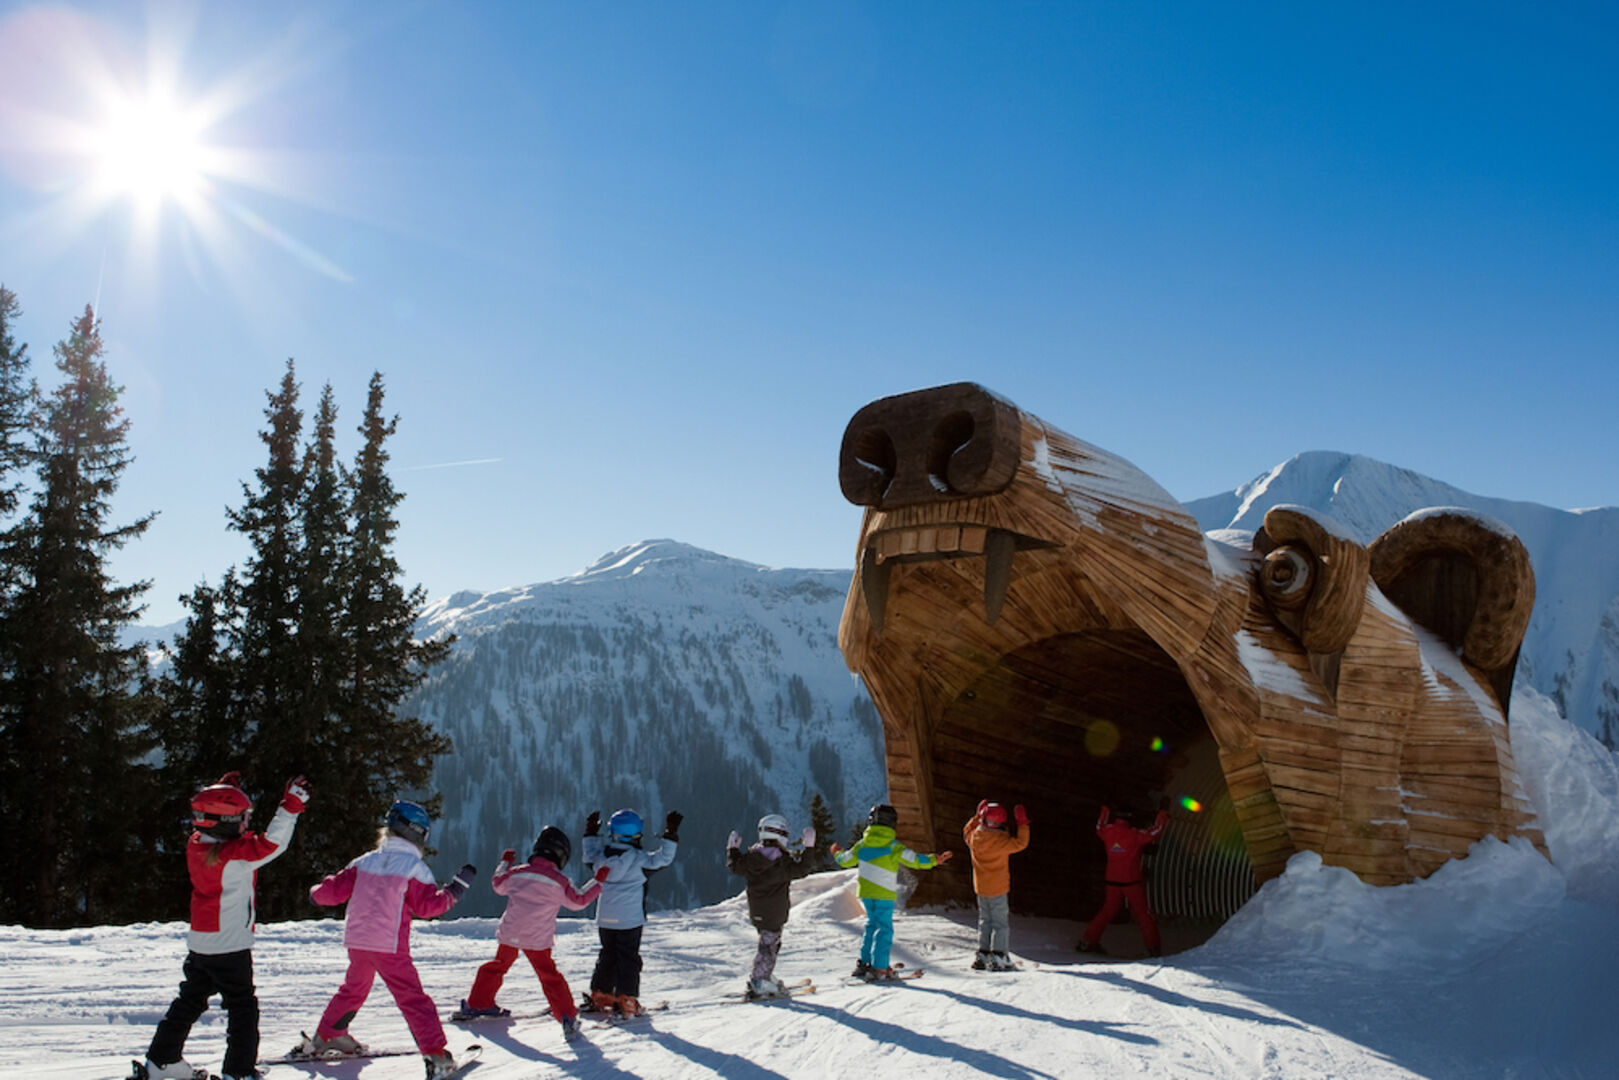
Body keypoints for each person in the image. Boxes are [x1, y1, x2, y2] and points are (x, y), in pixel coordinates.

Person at [137, 772, 309, 1080]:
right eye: (243, 818)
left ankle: (162, 1060)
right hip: (230, 945)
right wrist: (290, 808)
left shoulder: (197, 845)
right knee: (242, 1007)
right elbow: (272, 844)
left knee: (189, 1000)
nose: (247, 824)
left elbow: (220, 826)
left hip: (202, 941)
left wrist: (227, 793)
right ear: (226, 823)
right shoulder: (234, 856)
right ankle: (239, 1072)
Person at [302, 801, 476, 1080]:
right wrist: (455, 891)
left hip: (358, 942)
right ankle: (436, 1056)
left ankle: (328, 1035)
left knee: (353, 989)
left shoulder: (364, 861)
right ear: (419, 834)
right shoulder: (414, 868)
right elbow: (427, 908)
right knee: (413, 999)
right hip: (389, 945)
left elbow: (331, 892)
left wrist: (316, 892)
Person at [455, 826, 609, 1041]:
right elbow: (579, 901)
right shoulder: (560, 882)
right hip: (537, 939)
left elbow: (498, 884)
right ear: (561, 855)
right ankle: (567, 1016)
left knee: (497, 966)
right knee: (549, 976)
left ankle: (478, 1003)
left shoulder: (518, 872)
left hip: (511, 932)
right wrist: (598, 881)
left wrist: (505, 862)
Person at [831, 803, 953, 981]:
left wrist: (837, 853)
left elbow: (846, 860)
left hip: (866, 892)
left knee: (872, 925)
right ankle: (880, 968)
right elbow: (915, 860)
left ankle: (864, 964)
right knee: (884, 929)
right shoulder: (894, 847)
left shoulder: (862, 844)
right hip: (884, 894)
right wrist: (934, 860)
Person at [581, 807, 680, 1016]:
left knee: (607, 955)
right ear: (636, 835)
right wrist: (670, 833)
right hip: (629, 920)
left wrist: (590, 832)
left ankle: (601, 994)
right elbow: (663, 859)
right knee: (628, 958)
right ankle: (626, 999)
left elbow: (588, 854)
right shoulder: (639, 860)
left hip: (605, 918)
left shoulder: (600, 858)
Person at [726, 813, 816, 998]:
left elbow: (735, 866)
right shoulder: (781, 863)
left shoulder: (751, 858)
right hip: (775, 912)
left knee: (768, 943)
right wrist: (809, 848)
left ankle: (764, 974)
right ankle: (760, 980)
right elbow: (803, 869)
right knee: (769, 946)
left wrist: (732, 849)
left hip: (757, 911)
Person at [1076, 804, 1169, 957]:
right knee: (1143, 914)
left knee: (1107, 911)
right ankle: (1153, 948)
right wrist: (1163, 814)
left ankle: (1087, 941)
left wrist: (1105, 809)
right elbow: (1155, 832)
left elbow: (1099, 826)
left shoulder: (1108, 832)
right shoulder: (1135, 835)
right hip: (1131, 882)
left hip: (1112, 880)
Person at [963, 800, 1031, 971]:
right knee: (999, 923)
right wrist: (1023, 824)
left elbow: (966, 832)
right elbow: (1021, 843)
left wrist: (976, 817)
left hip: (981, 888)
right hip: (998, 889)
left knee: (984, 921)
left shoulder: (974, 839)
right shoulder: (1002, 842)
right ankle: (999, 955)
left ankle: (982, 954)